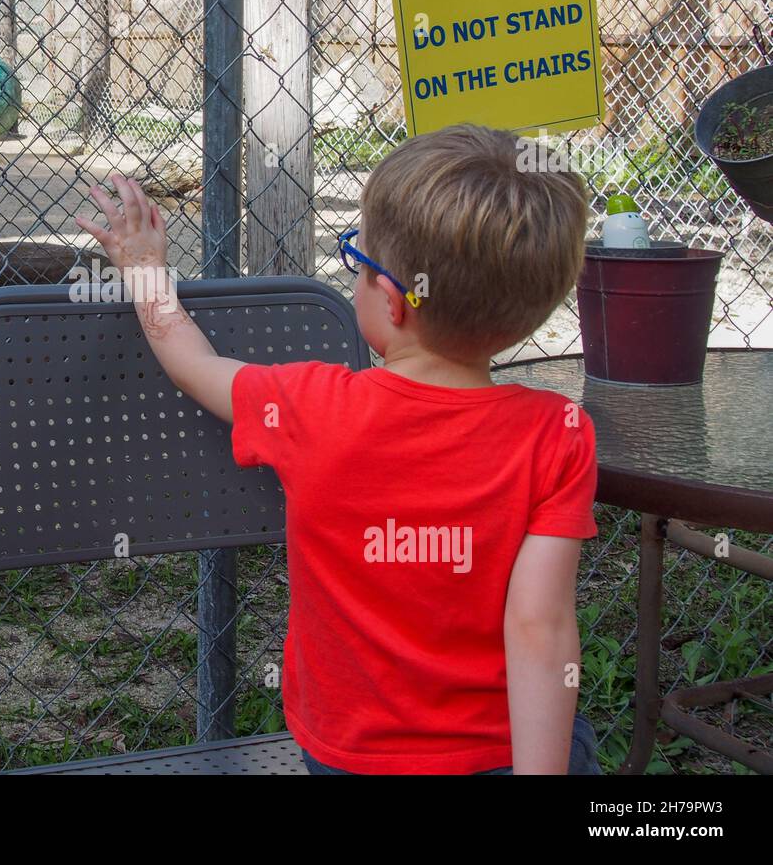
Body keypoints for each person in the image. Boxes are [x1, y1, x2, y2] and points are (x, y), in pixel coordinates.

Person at [74, 124, 602, 775]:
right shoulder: (560, 433)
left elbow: (190, 362)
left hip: (353, 758)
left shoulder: (308, 407)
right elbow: (540, 628)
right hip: (508, 753)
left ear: (391, 300)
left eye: (358, 257)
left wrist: (144, 271)